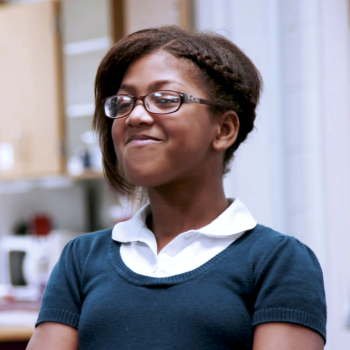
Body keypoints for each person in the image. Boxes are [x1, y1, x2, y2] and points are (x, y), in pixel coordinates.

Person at [27, 26, 326, 350]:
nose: (136, 115)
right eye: (124, 102)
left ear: (224, 129)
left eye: (165, 99)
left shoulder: (277, 261)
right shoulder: (81, 259)